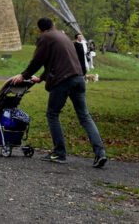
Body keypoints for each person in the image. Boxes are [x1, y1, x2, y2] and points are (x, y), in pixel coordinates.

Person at [10, 18, 107, 167]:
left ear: (40, 29)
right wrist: (41, 78)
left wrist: (23, 76)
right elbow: (59, 60)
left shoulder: (45, 38)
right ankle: (100, 153)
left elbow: (38, 60)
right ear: (52, 25)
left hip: (63, 81)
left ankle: (59, 152)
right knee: (85, 116)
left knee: (52, 114)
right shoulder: (63, 36)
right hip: (78, 78)